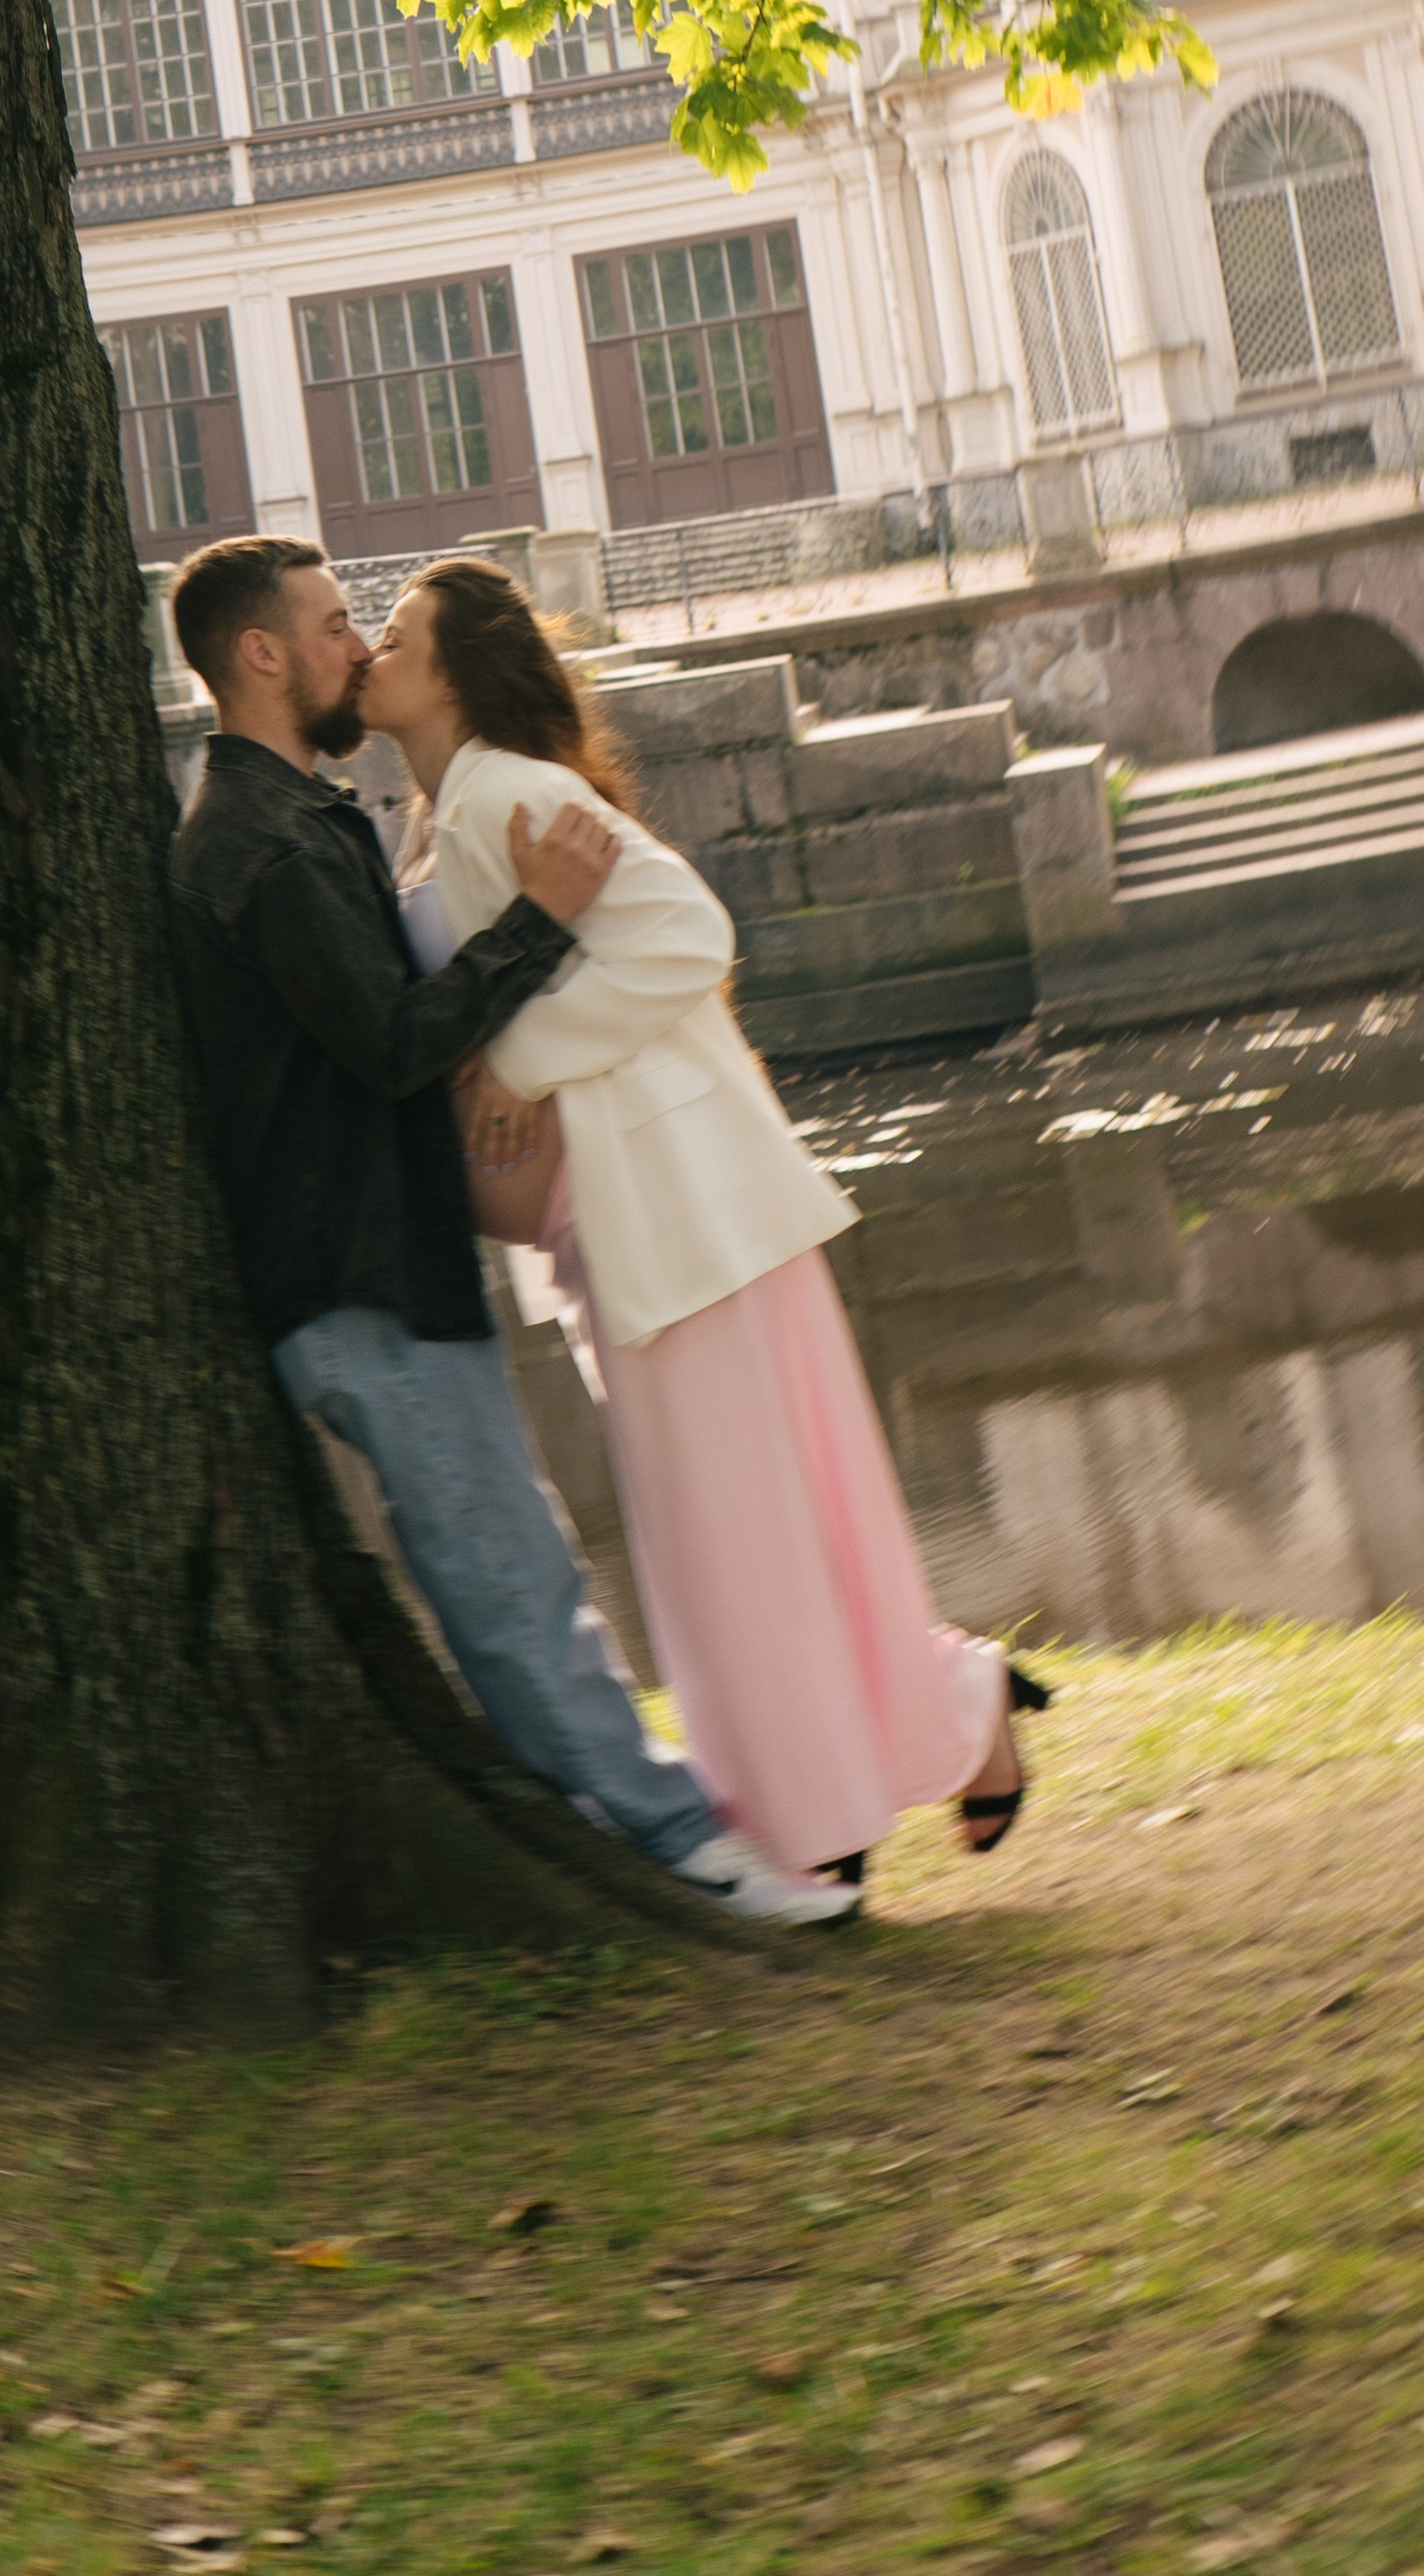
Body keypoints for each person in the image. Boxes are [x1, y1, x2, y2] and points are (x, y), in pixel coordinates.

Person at [165, 532, 858, 1927]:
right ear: (260, 655)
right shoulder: (257, 842)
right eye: (329, 624)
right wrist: (540, 925)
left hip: (390, 1267)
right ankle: (690, 1853)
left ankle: (661, 1830)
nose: (355, 646)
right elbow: (391, 1040)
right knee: (512, 1585)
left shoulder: (300, 817)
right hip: (357, 1280)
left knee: (515, 1567)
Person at [361, 557, 1048, 1891]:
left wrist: (521, 1062)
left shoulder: (512, 790)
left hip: (681, 1218)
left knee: (739, 1541)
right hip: (628, 1227)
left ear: (452, 672)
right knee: (746, 1532)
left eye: (395, 634)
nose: (375, 651)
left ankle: (821, 1830)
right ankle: (939, 1724)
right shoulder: (443, 814)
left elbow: (686, 930)